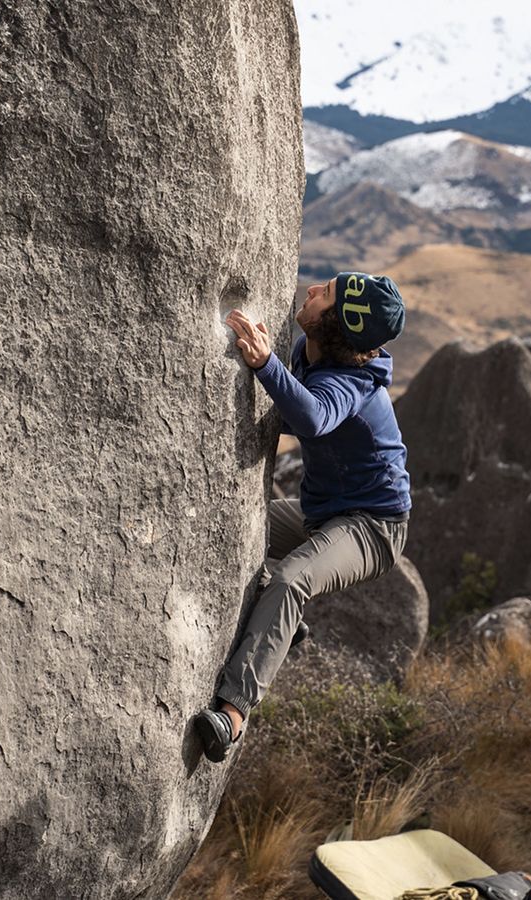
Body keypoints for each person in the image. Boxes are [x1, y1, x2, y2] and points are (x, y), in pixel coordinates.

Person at [194, 272, 411, 762]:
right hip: (322, 513)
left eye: (326, 294)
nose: (312, 289)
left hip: (372, 528)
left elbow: (311, 417)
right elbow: (294, 416)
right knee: (241, 530)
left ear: (337, 323)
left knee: (290, 580)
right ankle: (283, 628)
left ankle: (232, 714)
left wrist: (267, 365)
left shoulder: (352, 382)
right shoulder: (311, 356)